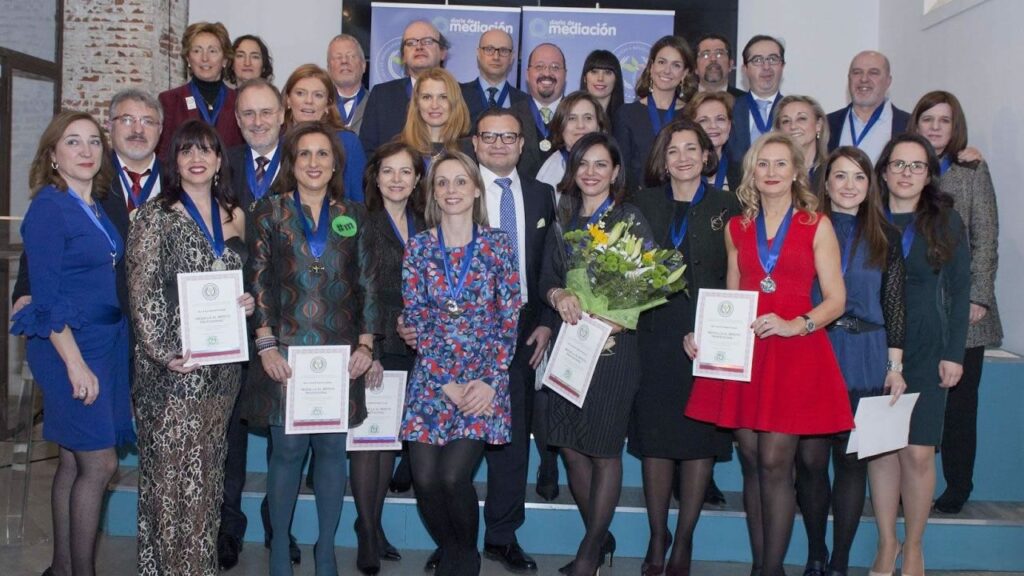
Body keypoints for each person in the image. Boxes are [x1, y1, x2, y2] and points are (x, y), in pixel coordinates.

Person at [685, 132, 854, 576]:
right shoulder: (737, 228)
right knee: (753, 462)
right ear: (752, 173)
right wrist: (706, 336)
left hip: (796, 353)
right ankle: (765, 565)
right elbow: (731, 293)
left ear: (797, 171)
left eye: (781, 164)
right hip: (745, 358)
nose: (772, 172)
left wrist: (797, 324)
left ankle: (768, 570)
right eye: (763, 164)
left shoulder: (816, 224)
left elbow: (836, 299)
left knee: (778, 463)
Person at [245, 121, 380, 576]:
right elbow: (259, 281)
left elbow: (367, 283)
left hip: (340, 360)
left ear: (336, 163)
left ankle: (326, 549)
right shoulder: (270, 211)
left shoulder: (355, 214)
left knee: (331, 453)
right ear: (291, 161)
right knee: (285, 453)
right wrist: (265, 347)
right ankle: (280, 548)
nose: (314, 162)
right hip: (286, 356)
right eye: (305, 154)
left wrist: (367, 344)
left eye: (323, 154)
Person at [127, 119, 254, 575]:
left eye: (206, 150)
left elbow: (240, 276)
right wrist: (165, 353)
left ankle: (197, 567)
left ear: (221, 160)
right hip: (173, 371)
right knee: (169, 481)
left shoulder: (233, 213)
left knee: (206, 478)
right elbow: (141, 293)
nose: (197, 158)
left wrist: (246, 300)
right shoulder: (154, 215)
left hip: (221, 371)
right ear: (175, 162)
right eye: (186, 151)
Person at [11, 111, 133, 576]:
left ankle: (61, 569)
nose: (85, 151)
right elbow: (46, 297)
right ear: (52, 155)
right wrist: (75, 365)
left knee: (72, 460)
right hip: (68, 346)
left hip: (105, 342)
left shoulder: (96, 205)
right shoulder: (49, 206)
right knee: (99, 463)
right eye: (72, 143)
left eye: (93, 143)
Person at [401, 150, 521, 576]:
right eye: (442, 183)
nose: (451, 190)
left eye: (459, 181)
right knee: (427, 481)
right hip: (432, 380)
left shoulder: (499, 245)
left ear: (475, 189)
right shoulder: (418, 247)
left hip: (483, 381)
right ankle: (453, 548)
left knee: (454, 477)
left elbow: (509, 317)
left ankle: (464, 557)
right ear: (433, 193)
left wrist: (490, 380)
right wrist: (443, 380)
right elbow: (414, 316)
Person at [629, 117, 740, 576]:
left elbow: (737, 273)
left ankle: (685, 541)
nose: (683, 158)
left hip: (708, 337)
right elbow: (626, 270)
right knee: (655, 441)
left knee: (699, 441)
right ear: (663, 158)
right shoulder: (642, 201)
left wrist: (721, 333)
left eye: (691, 149)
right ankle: (658, 537)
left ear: (706, 155)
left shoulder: (727, 204)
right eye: (673, 150)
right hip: (653, 335)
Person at [541, 132, 654, 576]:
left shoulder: (630, 218)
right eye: (583, 164)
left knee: (605, 451)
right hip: (571, 346)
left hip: (614, 347)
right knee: (569, 446)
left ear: (615, 172)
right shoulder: (563, 217)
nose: (591, 172)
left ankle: (588, 555)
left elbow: (647, 282)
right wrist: (558, 296)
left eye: (600, 164)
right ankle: (600, 534)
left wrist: (617, 318)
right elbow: (547, 277)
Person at [796, 146, 907, 576]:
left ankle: (839, 561)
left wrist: (894, 367)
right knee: (808, 460)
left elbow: (895, 305)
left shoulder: (887, 236)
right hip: (814, 350)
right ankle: (815, 552)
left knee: (849, 461)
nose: (849, 186)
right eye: (840, 176)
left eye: (858, 177)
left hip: (865, 355)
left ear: (870, 185)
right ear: (824, 183)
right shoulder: (805, 228)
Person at [868, 133, 970, 576]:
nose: (906, 173)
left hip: (928, 346)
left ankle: (914, 545)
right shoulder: (867, 214)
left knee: (918, 452)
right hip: (874, 342)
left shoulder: (945, 220)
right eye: (898, 164)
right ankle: (887, 543)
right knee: (882, 449)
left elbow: (961, 290)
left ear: (928, 174)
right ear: (884, 170)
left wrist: (955, 352)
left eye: (916, 166)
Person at [908, 91, 1002, 514]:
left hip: (968, 312)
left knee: (962, 406)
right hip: (921, 313)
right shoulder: (905, 168)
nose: (934, 127)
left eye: (943, 120)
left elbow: (986, 237)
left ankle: (958, 485)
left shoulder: (972, 170)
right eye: (927, 119)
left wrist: (978, 297)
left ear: (955, 126)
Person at [474, 108, 556, 573]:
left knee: (511, 434)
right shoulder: (456, 188)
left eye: (510, 136)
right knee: (463, 436)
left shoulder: (543, 195)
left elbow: (549, 263)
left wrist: (545, 319)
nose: (500, 144)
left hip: (524, 325)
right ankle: (455, 536)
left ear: (523, 144)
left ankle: (502, 535)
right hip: (466, 324)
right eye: (491, 136)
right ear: (475, 142)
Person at [215, 77, 289, 570]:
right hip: (230, 320)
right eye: (248, 114)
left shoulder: (309, 159)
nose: (258, 121)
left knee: (286, 432)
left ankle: (278, 530)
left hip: (290, 320)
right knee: (229, 433)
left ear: (283, 114)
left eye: (266, 112)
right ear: (237, 121)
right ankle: (227, 529)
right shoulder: (222, 166)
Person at [353, 141, 426, 574]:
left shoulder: (428, 223)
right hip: (377, 346)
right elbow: (357, 289)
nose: (396, 179)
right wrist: (371, 349)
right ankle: (367, 531)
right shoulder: (360, 222)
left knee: (392, 443)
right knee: (371, 444)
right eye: (388, 171)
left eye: (405, 172)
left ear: (417, 179)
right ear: (375, 177)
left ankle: (375, 526)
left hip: (419, 348)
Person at [614, 35, 697, 195]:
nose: (667, 70)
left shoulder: (692, 114)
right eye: (661, 62)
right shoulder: (627, 114)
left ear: (685, 73)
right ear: (651, 67)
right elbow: (622, 168)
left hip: (683, 199)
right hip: (638, 203)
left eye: (676, 65)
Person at [360, 20, 449, 155]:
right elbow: (367, 151)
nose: (419, 47)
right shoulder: (381, 95)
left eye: (427, 41)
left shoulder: (460, 94)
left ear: (442, 52)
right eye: (411, 43)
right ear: (403, 56)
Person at [281, 63, 367, 202]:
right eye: (300, 93)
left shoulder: (347, 143)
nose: (309, 101)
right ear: (288, 100)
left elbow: (361, 201)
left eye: (318, 95)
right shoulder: (278, 142)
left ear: (328, 104)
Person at [157, 21, 243, 156]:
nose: (204, 58)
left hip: (230, 176)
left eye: (212, 51)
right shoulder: (170, 100)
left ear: (225, 59)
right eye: (197, 50)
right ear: (188, 58)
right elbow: (163, 154)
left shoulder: (239, 101)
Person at [825, 51, 909, 163]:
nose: (864, 79)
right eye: (857, 72)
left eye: (873, 73)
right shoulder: (827, 123)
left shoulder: (908, 124)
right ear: (849, 79)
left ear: (888, 81)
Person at [398, 67, 473, 171]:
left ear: (455, 103)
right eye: (427, 97)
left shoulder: (471, 149)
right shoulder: (399, 148)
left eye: (443, 97)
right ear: (417, 103)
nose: (434, 105)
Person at [536, 91, 611, 193]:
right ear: (560, 127)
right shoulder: (549, 173)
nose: (580, 125)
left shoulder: (612, 164)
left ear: (599, 125)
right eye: (572, 118)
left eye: (588, 118)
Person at [511, 43, 566, 180]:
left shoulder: (579, 117)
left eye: (555, 67)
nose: (547, 73)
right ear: (527, 74)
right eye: (539, 66)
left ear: (565, 75)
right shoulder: (509, 116)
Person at [727, 35, 785, 164]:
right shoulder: (729, 110)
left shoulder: (791, 111)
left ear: (782, 66)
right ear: (745, 69)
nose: (766, 66)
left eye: (773, 59)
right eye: (757, 60)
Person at [459, 29, 527, 124]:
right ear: (478, 53)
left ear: (512, 57)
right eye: (489, 49)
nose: (496, 57)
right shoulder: (458, 95)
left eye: (503, 50)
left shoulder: (525, 102)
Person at [689, 91, 740, 192]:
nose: (713, 126)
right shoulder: (682, 167)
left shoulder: (742, 173)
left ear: (729, 126)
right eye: (703, 120)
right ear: (691, 127)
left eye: (720, 119)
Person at [774, 95, 829, 182]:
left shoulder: (831, 170)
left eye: (801, 119)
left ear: (818, 125)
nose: (793, 126)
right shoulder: (772, 172)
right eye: (786, 121)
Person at [327, 34, 369, 133]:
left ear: (363, 65)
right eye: (338, 57)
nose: (344, 61)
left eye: (351, 56)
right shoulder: (320, 105)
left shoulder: (377, 105)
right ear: (328, 69)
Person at [694, 33, 745, 98]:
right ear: (695, 67)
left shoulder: (745, 103)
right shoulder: (683, 103)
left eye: (719, 54)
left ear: (730, 65)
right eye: (705, 55)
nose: (713, 59)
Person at [579, 49, 625, 120]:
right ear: (585, 78)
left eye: (607, 72)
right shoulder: (569, 115)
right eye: (594, 72)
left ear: (616, 79)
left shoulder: (627, 119)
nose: (600, 78)